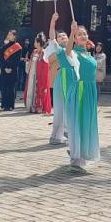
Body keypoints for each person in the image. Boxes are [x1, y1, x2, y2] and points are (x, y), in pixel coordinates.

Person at [65, 21, 100, 170]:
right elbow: (67, 53)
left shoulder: (88, 53)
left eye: (84, 33)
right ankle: (75, 156)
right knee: (78, 123)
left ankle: (83, 152)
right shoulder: (74, 53)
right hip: (80, 90)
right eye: (79, 34)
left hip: (91, 91)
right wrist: (72, 33)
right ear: (75, 38)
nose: (83, 36)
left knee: (87, 122)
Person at [44, 12, 74, 145]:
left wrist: (73, 30)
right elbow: (51, 36)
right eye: (60, 36)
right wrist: (52, 21)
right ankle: (58, 135)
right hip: (61, 80)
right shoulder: (58, 50)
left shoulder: (73, 50)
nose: (62, 37)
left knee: (69, 108)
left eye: (64, 36)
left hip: (72, 80)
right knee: (60, 108)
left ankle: (65, 134)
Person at [24, 32, 50, 114]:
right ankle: (32, 106)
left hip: (40, 74)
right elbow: (31, 62)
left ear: (38, 43)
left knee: (40, 89)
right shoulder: (34, 52)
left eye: (35, 41)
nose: (34, 43)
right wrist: (28, 63)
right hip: (32, 73)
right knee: (31, 89)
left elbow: (46, 65)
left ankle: (40, 106)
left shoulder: (44, 53)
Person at [0, 30, 22, 111]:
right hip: (4, 69)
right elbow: (0, 56)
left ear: (14, 36)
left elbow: (17, 60)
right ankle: (4, 105)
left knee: (11, 88)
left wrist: (10, 67)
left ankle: (11, 105)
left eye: (10, 34)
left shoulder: (18, 47)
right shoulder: (4, 46)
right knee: (4, 88)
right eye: (8, 34)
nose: (8, 35)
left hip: (13, 70)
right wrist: (5, 66)